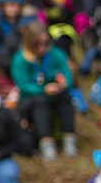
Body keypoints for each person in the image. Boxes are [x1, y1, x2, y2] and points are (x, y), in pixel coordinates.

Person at [11, 22, 76, 161]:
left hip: (54, 94)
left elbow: (68, 76)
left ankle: (69, 136)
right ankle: (46, 141)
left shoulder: (56, 54)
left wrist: (64, 83)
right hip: (30, 100)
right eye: (38, 44)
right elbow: (23, 85)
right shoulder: (21, 59)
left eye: (46, 43)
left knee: (65, 96)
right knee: (40, 101)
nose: (42, 48)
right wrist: (43, 89)